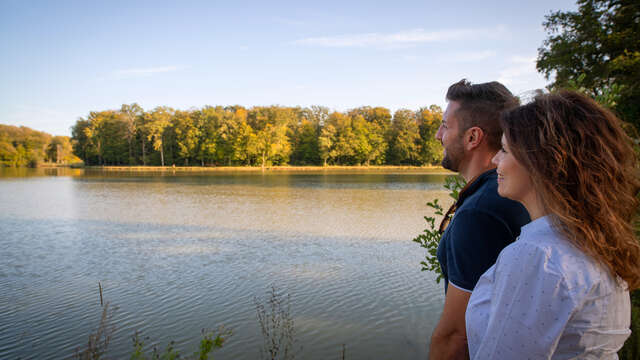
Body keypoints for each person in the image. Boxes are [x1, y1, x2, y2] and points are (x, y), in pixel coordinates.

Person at [466, 91, 640, 358]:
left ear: (541, 161)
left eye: (504, 149)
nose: (494, 160)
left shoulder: (539, 256)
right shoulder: (594, 239)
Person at [429, 80, 530, 359]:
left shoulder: (480, 212)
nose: (439, 135)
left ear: (473, 137)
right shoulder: (508, 195)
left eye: (445, 125)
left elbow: (456, 337)